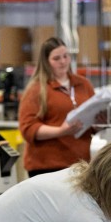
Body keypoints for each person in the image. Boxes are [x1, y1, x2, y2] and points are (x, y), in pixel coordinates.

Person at [17, 37, 96, 177]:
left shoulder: (83, 84)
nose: (63, 62)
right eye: (57, 58)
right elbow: (28, 128)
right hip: (46, 166)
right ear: (46, 62)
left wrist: (99, 122)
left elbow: (92, 120)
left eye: (66, 56)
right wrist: (60, 131)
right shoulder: (36, 90)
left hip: (79, 164)